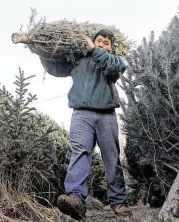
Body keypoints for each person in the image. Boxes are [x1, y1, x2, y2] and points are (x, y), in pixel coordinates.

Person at [39, 29, 132, 219]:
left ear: (112, 47)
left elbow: (114, 69)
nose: (101, 44)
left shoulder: (114, 60)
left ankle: (119, 202)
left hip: (106, 115)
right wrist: (42, 50)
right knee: (79, 153)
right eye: (99, 40)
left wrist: (94, 49)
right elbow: (56, 69)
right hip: (81, 114)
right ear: (93, 40)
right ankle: (76, 199)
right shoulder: (79, 59)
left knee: (112, 158)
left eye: (106, 43)